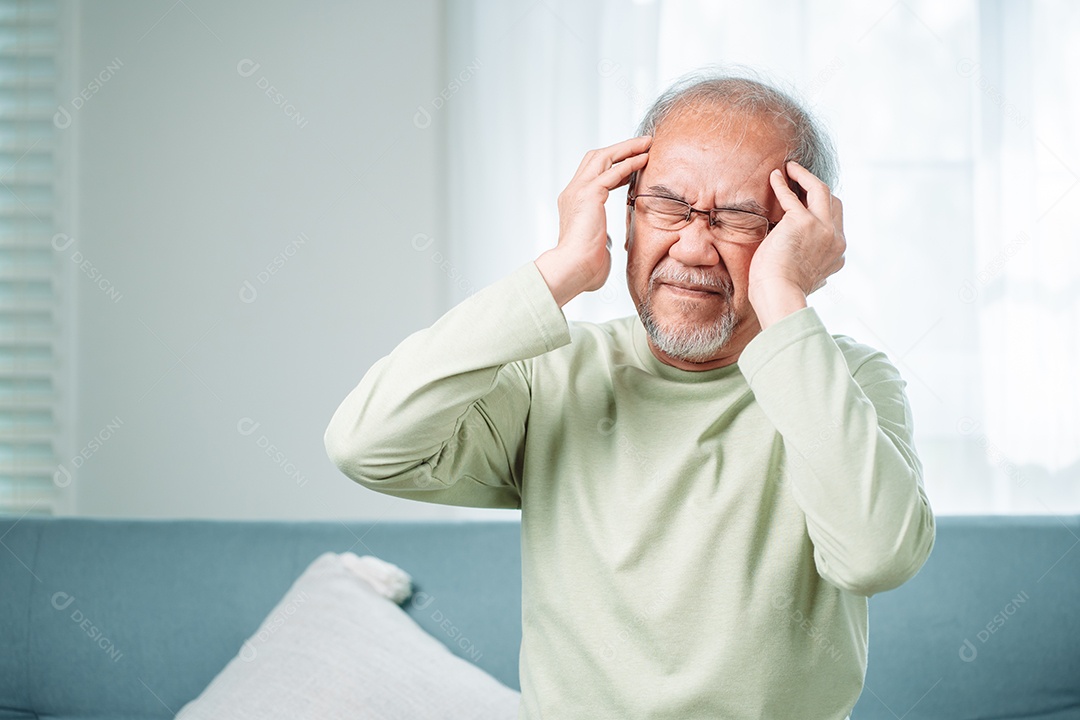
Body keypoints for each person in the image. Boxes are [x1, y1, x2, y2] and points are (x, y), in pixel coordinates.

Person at [325, 68, 935, 720]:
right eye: (668, 205)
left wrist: (786, 297)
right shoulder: (555, 373)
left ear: (795, 233)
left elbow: (876, 558)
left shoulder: (847, 381)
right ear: (627, 212)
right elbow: (367, 446)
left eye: (737, 218)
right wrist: (560, 270)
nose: (694, 247)